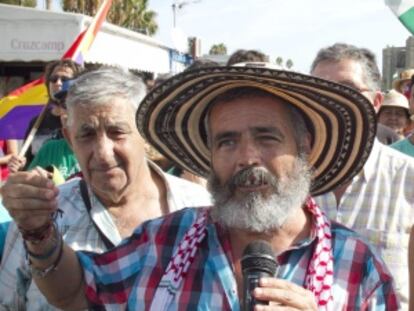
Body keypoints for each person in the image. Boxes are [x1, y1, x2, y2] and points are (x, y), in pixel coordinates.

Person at [4, 65, 399, 310]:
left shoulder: (358, 267)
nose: (246, 157)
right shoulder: (162, 242)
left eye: (267, 137)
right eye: (226, 141)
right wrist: (39, 232)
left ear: (305, 148)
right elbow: (75, 294)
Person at [0, 67, 211, 309]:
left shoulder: (199, 208)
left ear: (145, 133)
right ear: (69, 139)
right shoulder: (38, 219)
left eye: (116, 132)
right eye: (87, 135)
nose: (102, 153)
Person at [310, 42, 414, 309]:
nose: (333, 99)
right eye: (322, 90)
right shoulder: (289, 183)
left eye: (347, 89)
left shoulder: (408, 179)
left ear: (376, 102)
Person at [7, 59, 83, 173]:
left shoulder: (83, 119)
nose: (58, 83)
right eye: (53, 79)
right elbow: (29, 163)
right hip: (42, 187)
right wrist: (19, 166)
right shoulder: (37, 122)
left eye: (65, 79)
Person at [26, 79, 81, 181]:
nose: (69, 110)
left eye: (74, 103)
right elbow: (27, 187)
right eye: (64, 104)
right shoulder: (49, 149)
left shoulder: (101, 148)